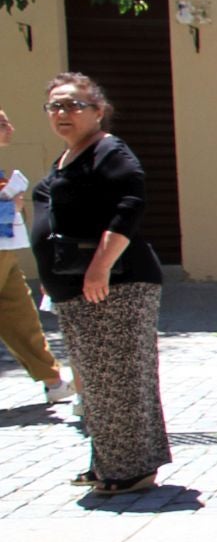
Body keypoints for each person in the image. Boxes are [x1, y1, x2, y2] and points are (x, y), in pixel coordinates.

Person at [29, 74, 169, 495]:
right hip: (76, 287)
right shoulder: (69, 156)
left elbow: (130, 205)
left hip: (118, 284)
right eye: (54, 106)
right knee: (97, 380)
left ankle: (131, 470)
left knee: (121, 377)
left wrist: (101, 265)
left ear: (97, 110)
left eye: (72, 105)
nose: (62, 113)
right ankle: (108, 461)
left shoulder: (109, 150)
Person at [0, 108, 72, 404]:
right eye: (3, 122)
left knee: (21, 316)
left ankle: (53, 380)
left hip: (4, 252)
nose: (10, 127)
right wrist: (9, 207)